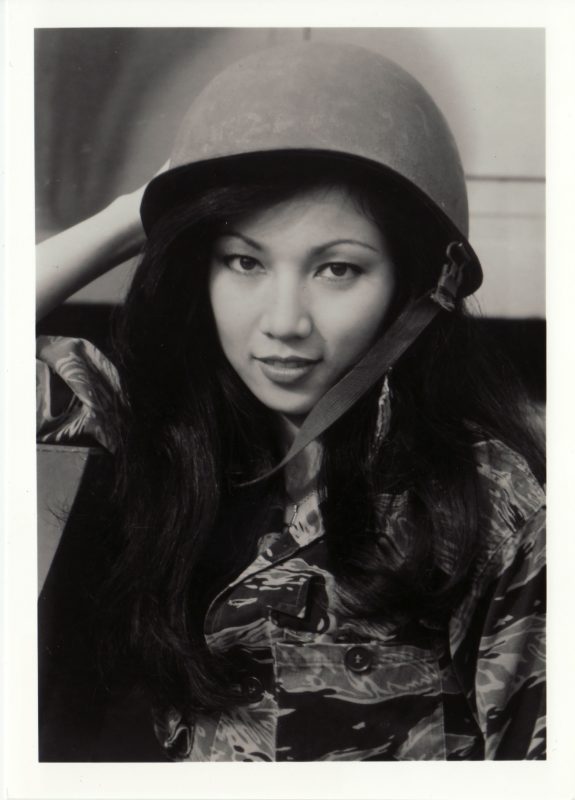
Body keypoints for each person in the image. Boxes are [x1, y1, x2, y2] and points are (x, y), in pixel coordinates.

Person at [36, 42, 545, 761]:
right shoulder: (147, 433)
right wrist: (137, 212)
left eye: (336, 269)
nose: (283, 321)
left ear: (416, 285)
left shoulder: (485, 499)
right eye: (243, 261)